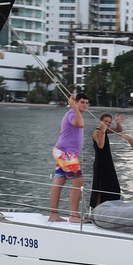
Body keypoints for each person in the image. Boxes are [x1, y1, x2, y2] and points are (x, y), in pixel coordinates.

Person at [48, 92, 89, 223]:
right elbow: (80, 124)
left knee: (59, 182)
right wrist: (74, 107)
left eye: (87, 103)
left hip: (62, 152)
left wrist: (76, 107)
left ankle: (53, 215)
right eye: (82, 102)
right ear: (75, 102)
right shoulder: (72, 113)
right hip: (65, 153)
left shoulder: (74, 112)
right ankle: (74, 216)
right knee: (78, 182)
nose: (85, 105)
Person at [89, 112, 124, 209]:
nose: (108, 124)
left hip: (108, 163)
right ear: (100, 121)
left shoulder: (105, 130)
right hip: (100, 164)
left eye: (109, 122)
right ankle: (95, 211)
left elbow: (119, 130)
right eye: (106, 121)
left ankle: (109, 208)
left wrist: (117, 122)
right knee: (100, 188)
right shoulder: (97, 131)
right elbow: (100, 145)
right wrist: (103, 131)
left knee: (114, 186)